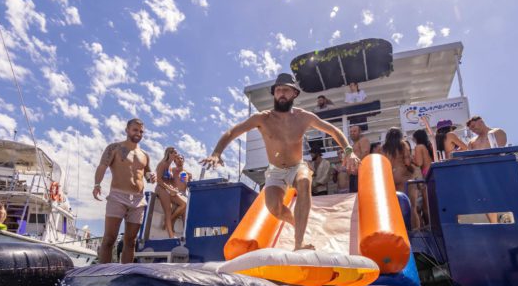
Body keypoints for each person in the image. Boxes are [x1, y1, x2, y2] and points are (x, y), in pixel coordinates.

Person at [202, 73, 360, 250]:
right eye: (278, 90)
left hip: (297, 166)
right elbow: (232, 132)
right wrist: (217, 153)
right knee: (274, 208)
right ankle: (299, 223)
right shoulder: (262, 118)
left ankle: (299, 243)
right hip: (275, 170)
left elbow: (333, 130)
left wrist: (349, 151)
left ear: (294, 93)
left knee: (304, 180)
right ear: (274, 94)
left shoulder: (303, 117)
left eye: (285, 90)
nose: (281, 93)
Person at [93, 118, 153, 264]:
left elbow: (147, 175)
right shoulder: (114, 148)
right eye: (135, 130)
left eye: (141, 131)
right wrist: (97, 184)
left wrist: (151, 177)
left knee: (131, 241)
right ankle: (104, 273)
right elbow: (102, 166)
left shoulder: (145, 155)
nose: (138, 133)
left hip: (138, 200)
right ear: (127, 130)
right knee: (109, 239)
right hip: (118, 197)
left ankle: (125, 273)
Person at [382, 127, 420, 230]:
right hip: (404, 178)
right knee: (412, 207)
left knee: (396, 209)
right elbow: (407, 162)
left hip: (392, 179)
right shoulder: (402, 145)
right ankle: (415, 232)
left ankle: (400, 231)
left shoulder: (384, 148)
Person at [155, 147, 188, 238]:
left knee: (184, 204)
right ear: (169, 153)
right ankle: (171, 236)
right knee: (168, 211)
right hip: (161, 188)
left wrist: (173, 189)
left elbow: (175, 181)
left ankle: (184, 234)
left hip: (169, 189)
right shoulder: (163, 164)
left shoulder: (170, 168)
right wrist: (171, 189)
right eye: (175, 153)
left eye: (178, 155)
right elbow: (158, 179)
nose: (177, 155)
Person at [412, 129, 434, 226]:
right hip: (431, 173)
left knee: (426, 204)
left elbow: (419, 163)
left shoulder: (418, 147)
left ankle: (430, 225)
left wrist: (411, 159)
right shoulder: (426, 146)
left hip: (426, 175)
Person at [348, 125, 371, 193]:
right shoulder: (353, 145)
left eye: (354, 131)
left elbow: (365, 153)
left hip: (360, 174)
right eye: (351, 132)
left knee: (361, 195)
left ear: (360, 132)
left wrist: (354, 163)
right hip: (354, 175)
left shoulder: (363, 140)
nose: (352, 133)